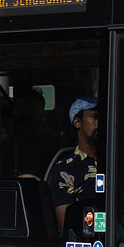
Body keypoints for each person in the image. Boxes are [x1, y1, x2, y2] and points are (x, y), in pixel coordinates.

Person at [47, 96, 99, 230]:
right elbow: (67, 227)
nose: (100, 122)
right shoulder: (66, 169)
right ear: (77, 122)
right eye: (95, 116)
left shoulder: (118, 162)